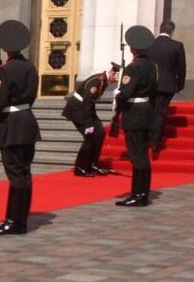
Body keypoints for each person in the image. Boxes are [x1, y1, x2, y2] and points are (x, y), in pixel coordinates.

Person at [0, 20, 41, 235]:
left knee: (15, 173)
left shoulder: (5, 70)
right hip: (27, 121)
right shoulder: (30, 67)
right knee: (25, 172)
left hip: (12, 125)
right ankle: (21, 219)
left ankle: (13, 221)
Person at [115, 25, 158, 207]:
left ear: (132, 47)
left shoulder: (133, 67)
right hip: (147, 110)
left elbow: (126, 91)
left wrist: (119, 92)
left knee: (137, 155)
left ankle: (138, 194)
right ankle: (143, 192)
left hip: (135, 113)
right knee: (143, 155)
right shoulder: (151, 65)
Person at [62, 65, 118, 176]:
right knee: (89, 137)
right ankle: (80, 167)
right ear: (111, 73)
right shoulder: (97, 81)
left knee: (100, 133)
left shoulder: (103, 80)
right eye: (115, 78)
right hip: (78, 109)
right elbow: (87, 101)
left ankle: (93, 164)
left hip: (87, 109)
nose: (115, 81)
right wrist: (89, 124)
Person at [147, 19, 186, 153]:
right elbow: (181, 68)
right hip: (167, 84)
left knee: (152, 110)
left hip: (151, 84)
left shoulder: (149, 45)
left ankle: (150, 137)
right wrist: (180, 85)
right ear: (171, 31)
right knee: (161, 112)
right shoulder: (177, 45)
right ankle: (156, 142)